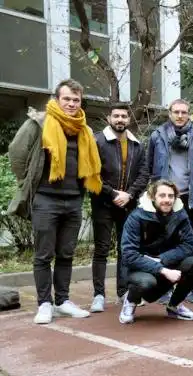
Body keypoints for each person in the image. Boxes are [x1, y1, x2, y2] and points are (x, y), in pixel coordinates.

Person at [8, 79, 103, 324]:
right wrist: (25, 184)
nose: (71, 104)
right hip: (45, 200)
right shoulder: (38, 123)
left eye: (76, 100)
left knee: (66, 254)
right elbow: (16, 153)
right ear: (57, 99)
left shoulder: (84, 129)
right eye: (67, 99)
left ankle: (62, 301)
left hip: (73, 201)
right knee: (43, 255)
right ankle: (44, 304)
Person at [118, 179, 193, 324]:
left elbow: (190, 245)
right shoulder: (136, 217)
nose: (167, 200)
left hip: (167, 263)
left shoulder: (180, 214)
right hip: (140, 269)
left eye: (171, 196)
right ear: (153, 197)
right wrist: (162, 269)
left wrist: (162, 259)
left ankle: (174, 305)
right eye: (162, 195)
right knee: (146, 283)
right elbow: (129, 255)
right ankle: (131, 301)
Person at [90, 102, 149, 312]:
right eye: (116, 116)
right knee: (101, 250)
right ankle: (98, 295)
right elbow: (92, 174)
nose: (120, 120)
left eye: (124, 116)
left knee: (126, 250)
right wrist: (113, 194)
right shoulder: (96, 141)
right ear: (109, 118)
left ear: (129, 119)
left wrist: (130, 194)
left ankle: (123, 291)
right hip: (103, 204)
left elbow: (144, 174)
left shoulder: (137, 144)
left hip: (128, 205)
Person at [147, 98, 193, 303]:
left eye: (184, 112)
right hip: (165, 198)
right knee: (164, 242)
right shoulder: (157, 136)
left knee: (190, 241)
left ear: (189, 114)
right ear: (169, 113)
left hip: (190, 196)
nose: (180, 116)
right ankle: (165, 286)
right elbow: (150, 165)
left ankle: (189, 286)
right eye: (176, 112)